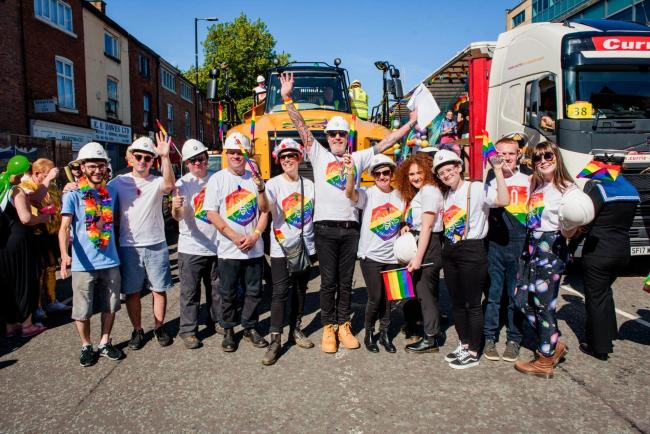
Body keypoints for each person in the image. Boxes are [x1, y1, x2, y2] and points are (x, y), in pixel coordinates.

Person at [281, 71, 418, 353]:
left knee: (345, 282)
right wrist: (287, 99)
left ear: (348, 137)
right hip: (324, 228)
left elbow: (387, 143)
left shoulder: (358, 158)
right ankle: (328, 328)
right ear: (328, 137)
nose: (337, 138)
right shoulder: (318, 155)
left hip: (350, 229)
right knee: (328, 282)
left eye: (341, 134)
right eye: (332, 134)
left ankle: (343, 324)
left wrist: (411, 124)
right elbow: (302, 130)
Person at [433, 149, 509, 369]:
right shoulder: (446, 194)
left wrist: (497, 170)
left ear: (459, 168)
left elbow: (503, 200)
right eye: (442, 173)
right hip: (451, 250)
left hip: (472, 250)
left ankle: (475, 350)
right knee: (457, 303)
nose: (446, 175)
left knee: (472, 304)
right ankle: (464, 343)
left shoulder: (475, 188)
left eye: (449, 169)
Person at [514, 141, 576, 378]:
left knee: (544, 304)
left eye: (548, 156)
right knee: (521, 299)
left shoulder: (568, 189)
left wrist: (569, 232)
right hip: (530, 247)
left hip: (550, 249)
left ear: (557, 157)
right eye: (537, 159)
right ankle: (553, 340)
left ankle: (545, 360)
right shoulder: (539, 186)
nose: (543, 162)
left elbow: (574, 223)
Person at [59, 142, 124, 366]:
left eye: (101, 165)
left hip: (110, 260)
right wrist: (64, 255)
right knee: (82, 310)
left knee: (111, 305)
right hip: (82, 263)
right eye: (92, 166)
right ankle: (86, 345)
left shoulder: (112, 191)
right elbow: (64, 227)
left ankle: (104, 342)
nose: (97, 170)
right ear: (83, 167)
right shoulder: (73, 194)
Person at [204, 132, 269, 352]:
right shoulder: (218, 179)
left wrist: (256, 235)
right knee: (228, 293)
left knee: (254, 291)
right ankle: (229, 329)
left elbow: (264, 210)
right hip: (229, 251)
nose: (235, 156)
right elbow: (211, 213)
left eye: (239, 152)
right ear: (226, 154)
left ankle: (250, 326)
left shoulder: (255, 178)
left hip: (254, 249)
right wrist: (234, 236)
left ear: (246, 154)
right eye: (231, 152)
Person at [108, 134, 175, 350]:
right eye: (138, 156)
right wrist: (72, 187)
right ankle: (137, 330)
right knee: (132, 292)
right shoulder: (118, 182)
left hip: (156, 242)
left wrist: (165, 157)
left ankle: (159, 327)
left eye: (148, 158)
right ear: (130, 158)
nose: (142, 161)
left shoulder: (156, 182)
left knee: (159, 289)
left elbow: (170, 185)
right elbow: (96, 193)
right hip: (129, 245)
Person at [262, 139, 316, 365]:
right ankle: (276, 340)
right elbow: (265, 208)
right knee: (279, 292)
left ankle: (296, 329)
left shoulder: (311, 185)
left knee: (300, 290)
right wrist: (259, 189)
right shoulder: (273, 185)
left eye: (291, 155)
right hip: (282, 248)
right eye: (283, 157)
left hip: (306, 247)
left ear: (299, 157)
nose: (287, 160)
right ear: (278, 160)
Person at [579, 166, 640, 360]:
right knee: (606, 292)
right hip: (622, 250)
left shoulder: (601, 190)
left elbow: (585, 219)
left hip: (599, 251)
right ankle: (610, 332)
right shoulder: (632, 190)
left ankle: (599, 346)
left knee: (595, 297)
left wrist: (571, 243)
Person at [345, 153, 403, 353]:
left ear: (391, 173)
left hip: (394, 257)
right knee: (375, 297)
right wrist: (351, 172)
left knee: (391, 297)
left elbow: (406, 218)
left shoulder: (401, 195)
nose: (381, 176)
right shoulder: (368, 194)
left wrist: (404, 225)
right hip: (370, 257)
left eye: (385, 172)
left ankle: (385, 333)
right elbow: (350, 194)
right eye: (377, 173)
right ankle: (369, 333)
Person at [172, 139, 222, 350]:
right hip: (191, 247)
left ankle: (217, 321)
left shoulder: (217, 180)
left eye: (201, 159)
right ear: (187, 163)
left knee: (217, 289)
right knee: (190, 292)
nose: (198, 164)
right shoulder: (181, 184)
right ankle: (188, 330)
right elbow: (177, 216)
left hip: (217, 245)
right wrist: (176, 208)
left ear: (207, 159)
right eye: (193, 161)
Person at [482, 138, 529, 363]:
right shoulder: (490, 181)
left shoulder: (529, 179)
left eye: (510, 154)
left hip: (519, 243)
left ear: (518, 154)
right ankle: (489, 337)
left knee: (514, 295)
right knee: (493, 295)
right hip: (495, 244)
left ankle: (514, 339)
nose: (506, 158)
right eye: (500, 154)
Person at [394, 154, 446, 353]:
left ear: (428, 171)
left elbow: (427, 227)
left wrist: (417, 259)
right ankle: (430, 331)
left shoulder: (429, 191)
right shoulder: (423, 191)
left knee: (425, 293)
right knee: (422, 291)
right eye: (411, 174)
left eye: (419, 172)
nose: (415, 177)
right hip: (422, 242)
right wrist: (408, 228)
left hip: (428, 245)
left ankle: (430, 339)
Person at [1, 162, 48, 338]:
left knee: (6, 283)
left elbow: (36, 196)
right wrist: (43, 218)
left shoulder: (1, 185)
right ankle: (27, 325)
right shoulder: (16, 190)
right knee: (25, 279)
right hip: (19, 241)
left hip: (2, 242)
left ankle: (10, 325)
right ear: (22, 173)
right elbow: (26, 218)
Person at [20, 159, 69, 315]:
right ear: (36, 173)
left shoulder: (52, 186)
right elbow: (35, 199)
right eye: (47, 175)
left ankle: (52, 300)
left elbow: (58, 203)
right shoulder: (26, 186)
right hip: (35, 235)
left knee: (50, 268)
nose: (51, 178)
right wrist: (47, 180)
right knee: (38, 272)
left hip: (51, 234)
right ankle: (38, 306)